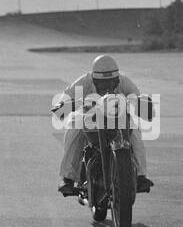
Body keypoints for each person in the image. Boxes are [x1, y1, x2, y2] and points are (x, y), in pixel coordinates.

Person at [56, 54, 152, 196]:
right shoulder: (84, 81)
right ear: (94, 79)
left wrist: (143, 105)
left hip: (117, 117)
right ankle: (67, 178)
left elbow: (137, 97)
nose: (106, 88)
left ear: (117, 80)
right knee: (74, 129)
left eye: (110, 83)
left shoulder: (124, 82)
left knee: (135, 130)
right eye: (102, 84)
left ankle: (141, 176)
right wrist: (63, 105)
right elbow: (66, 98)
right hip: (89, 117)